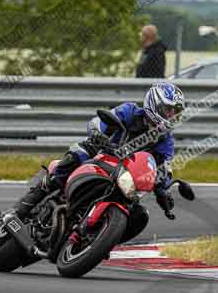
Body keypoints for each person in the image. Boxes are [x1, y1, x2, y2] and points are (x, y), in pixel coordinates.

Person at [12, 82, 186, 236]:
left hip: (125, 176)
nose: (171, 116)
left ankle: (100, 238)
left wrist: (163, 191)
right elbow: (97, 122)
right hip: (100, 154)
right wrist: (98, 133)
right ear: (154, 104)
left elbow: (163, 168)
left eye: (175, 113)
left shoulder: (166, 141)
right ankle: (23, 208)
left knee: (139, 214)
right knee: (74, 157)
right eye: (168, 110)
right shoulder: (130, 111)